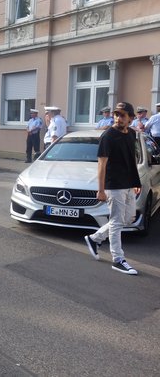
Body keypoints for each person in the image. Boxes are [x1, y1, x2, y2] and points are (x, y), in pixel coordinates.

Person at [84, 102, 141, 275]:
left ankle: (95, 238)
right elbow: (102, 164)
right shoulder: (108, 136)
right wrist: (100, 189)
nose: (118, 118)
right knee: (116, 221)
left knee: (128, 218)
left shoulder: (131, 134)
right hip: (114, 185)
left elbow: (131, 160)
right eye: (116, 114)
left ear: (131, 118)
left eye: (122, 115)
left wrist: (136, 181)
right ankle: (118, 259)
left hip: (128, 184)